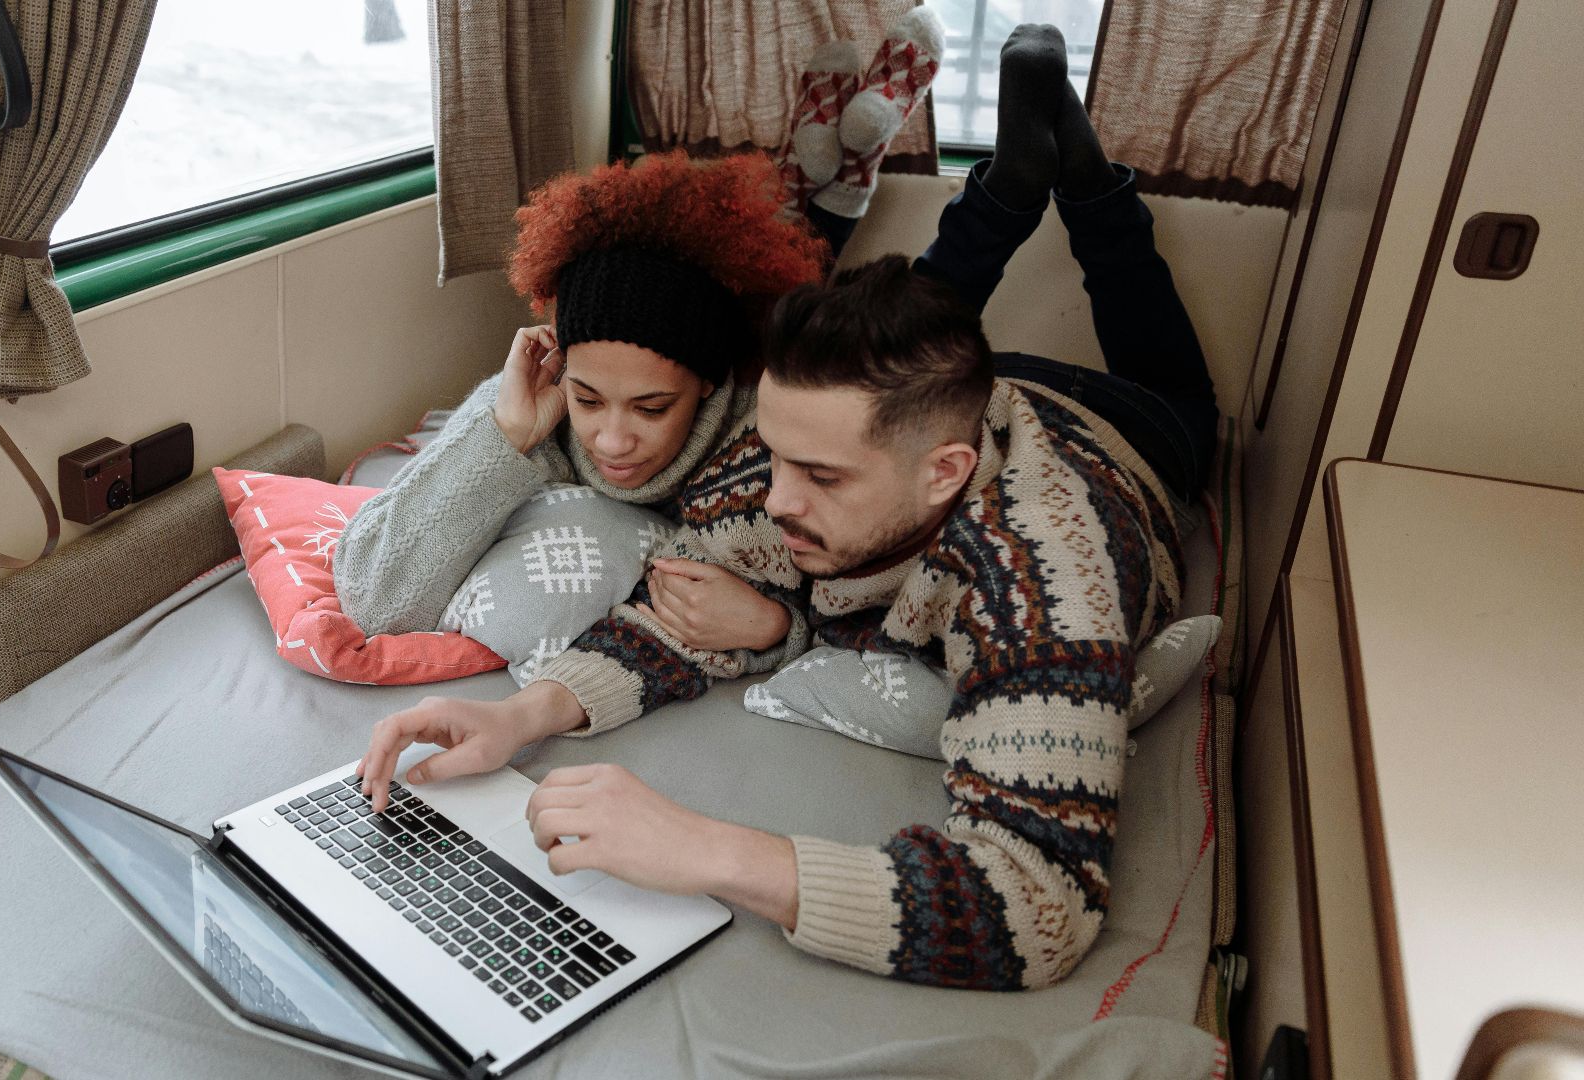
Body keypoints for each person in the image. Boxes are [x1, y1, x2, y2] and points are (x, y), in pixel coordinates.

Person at [352, 25, 1219, 992]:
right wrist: (518, 717)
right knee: (902, 334)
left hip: (1134, 435)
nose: (774, 503)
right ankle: (1013, 188)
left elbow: (1037, 905)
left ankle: (1084, 182)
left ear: (945, 475)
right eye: (774, 458)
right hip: (968, 394)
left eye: (822, 479)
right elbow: (676, 619)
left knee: (1178, 381)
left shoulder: (1045, 577)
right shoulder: (792, 462)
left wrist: (710, 851)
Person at [333, 151, 827, 659]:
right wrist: (505, 435)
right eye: (587, 399)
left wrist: (774, 627)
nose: (612, 441)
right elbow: (375, 602)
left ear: (707, 381)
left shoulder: (769, 437)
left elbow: (867, 607)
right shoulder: (524, 410)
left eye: (652, 408)